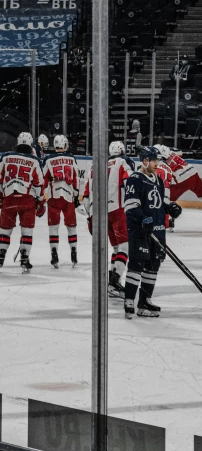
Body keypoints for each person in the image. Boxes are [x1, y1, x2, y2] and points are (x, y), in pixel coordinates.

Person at [123, 146, 182, 318]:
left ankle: (144, 301)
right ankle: (129, 301)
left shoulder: (159, 181)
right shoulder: (135, 179)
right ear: (145, 161)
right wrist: (143, 220)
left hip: (157, 230)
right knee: (137, 264)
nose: (157, 163)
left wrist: (169, 208)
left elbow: (158, 204)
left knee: (153, 265)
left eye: (157, 160)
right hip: (140, 231)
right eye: (154, 160)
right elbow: (130, 206)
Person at [83, 141, 134, 299]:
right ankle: (114, 281)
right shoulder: (122, 162)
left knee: (117, 248)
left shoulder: (94, 166)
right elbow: (130, 183)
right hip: (117, 210)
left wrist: (90, 216)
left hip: (97, 212)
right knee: (124, 247)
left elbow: (86, 196)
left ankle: (111, 282)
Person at [0, 132, 44, 272]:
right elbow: (39, 184)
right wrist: (40, 200)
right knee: (27, 231)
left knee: (5, 230)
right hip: (27, 201)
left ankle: (0, 257)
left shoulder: (6, 157)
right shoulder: (35, 160)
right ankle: (24, 258)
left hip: (9, 199)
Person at [43, 134, 79, 268]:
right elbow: (76, 178)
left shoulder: (48, 159)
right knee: (71, 227)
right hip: (68, 197)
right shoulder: (71, 158)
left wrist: (41, 196)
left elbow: (44, 180)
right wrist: (75, 194)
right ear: (65, 145)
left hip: (54, 196)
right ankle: (74, 252)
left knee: (53, 228)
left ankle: (54, 253)